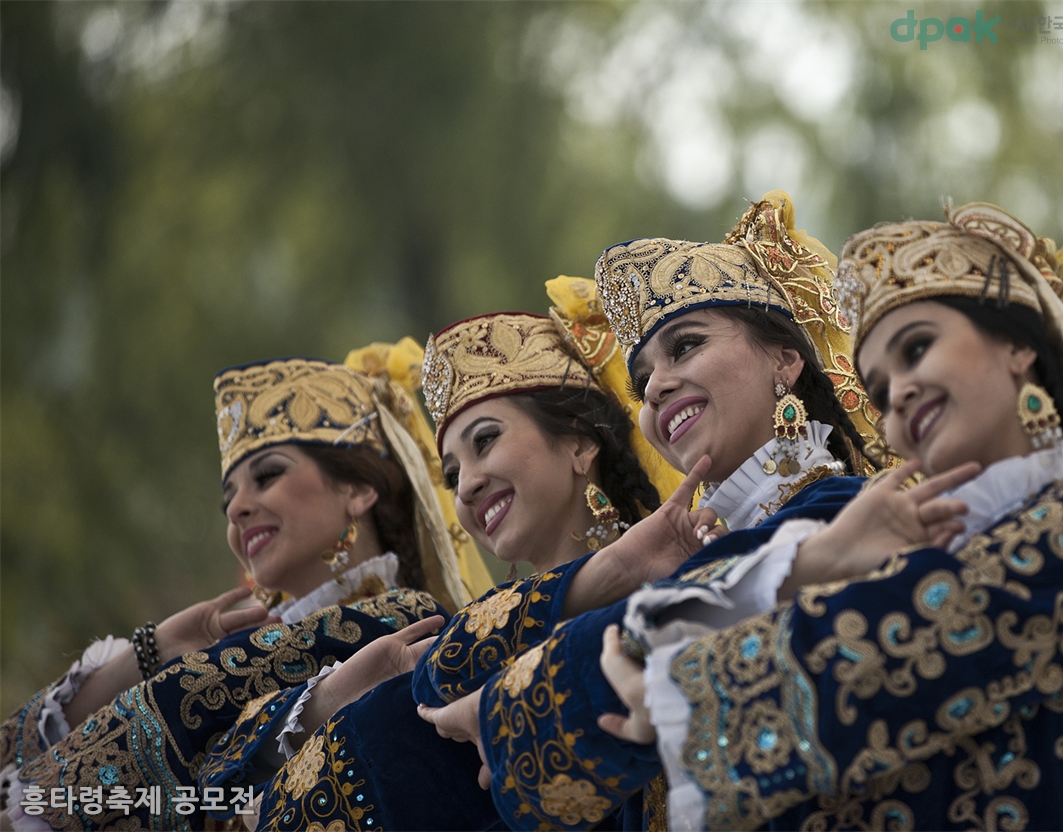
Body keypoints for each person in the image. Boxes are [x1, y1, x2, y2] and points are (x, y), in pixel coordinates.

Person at [605, 202, 1063, 830]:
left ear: (1016, 344)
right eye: (879, 390)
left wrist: (675, 691)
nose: (899, 392)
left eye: (918, 348)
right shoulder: (937, 542)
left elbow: (876, 655)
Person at [419, 191, 884, 829]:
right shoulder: (705, 552)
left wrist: (511, 705)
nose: (658, 385)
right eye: (641, 382)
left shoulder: (843, 510)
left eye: (685, 346)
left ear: (785, 359)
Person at [238, 295, 717, 831]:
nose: (466, 485)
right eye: (450, 475)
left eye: (485, 441)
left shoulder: (680, 586)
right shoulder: (478, 641)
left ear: (580, 444)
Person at [2, 346, 487, 830]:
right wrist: (153, 651)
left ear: (357, 490)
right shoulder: (256, 645)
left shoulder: (404, 623)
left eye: (268, 475)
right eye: (227, 500)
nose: (236, 510)